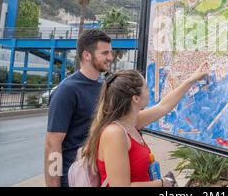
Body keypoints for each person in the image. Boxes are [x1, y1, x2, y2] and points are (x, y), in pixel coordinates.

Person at [81, 63, 209, 187]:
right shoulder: (115, 133)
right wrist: (162, 183)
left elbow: (163, 106)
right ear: (135, 98)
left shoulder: (130, 122)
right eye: (146, 88)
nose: (149, 91)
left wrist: (191, 80)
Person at [44, 29, 114, 187]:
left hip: (96, 177)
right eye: (104, 53)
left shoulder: (104, 86)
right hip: (73, 179)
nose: (110, 57)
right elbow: (52, 143)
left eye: (110, 52)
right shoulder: (67, 90)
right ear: (87, 55)